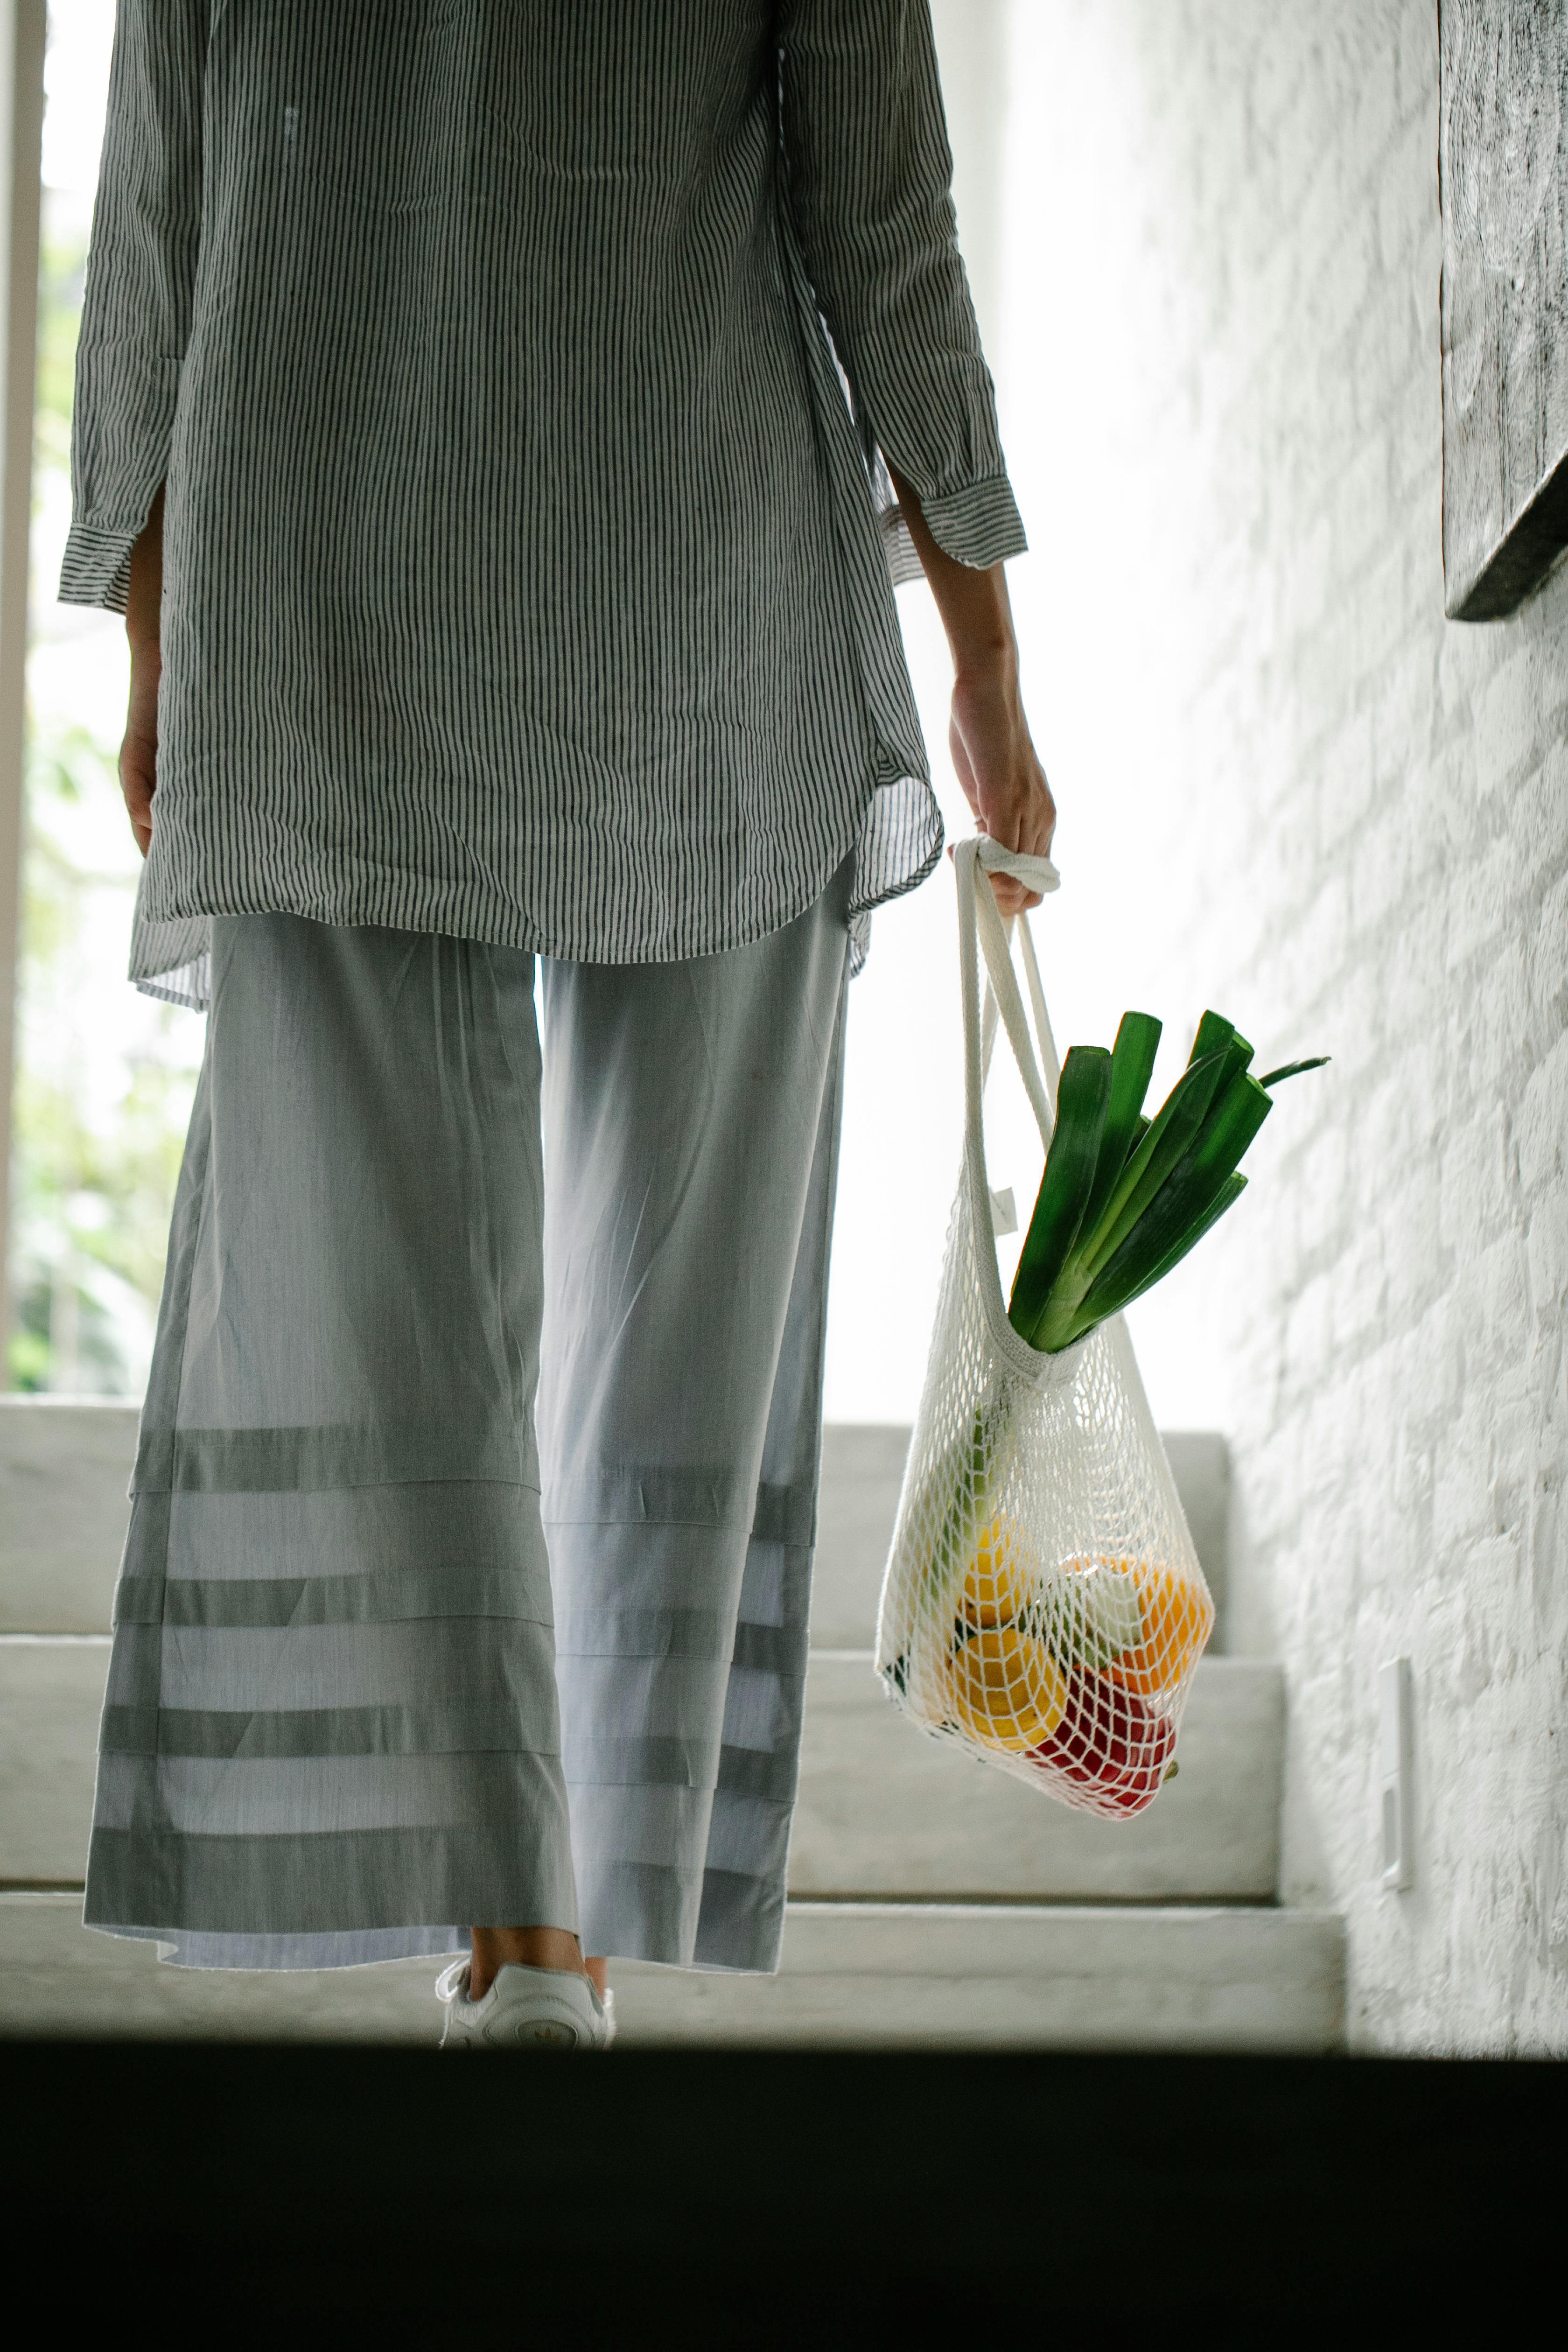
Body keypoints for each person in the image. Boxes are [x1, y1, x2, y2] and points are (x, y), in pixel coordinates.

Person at [63, 0, 1055, 2049]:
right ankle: (581, 1911)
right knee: (682, 1264)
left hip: (314, 539)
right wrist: (984, 664)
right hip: (696, 566)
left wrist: (159, 638)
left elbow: (153, 213)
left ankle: (518, 1920)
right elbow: (890, 222)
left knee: (388, 1257)